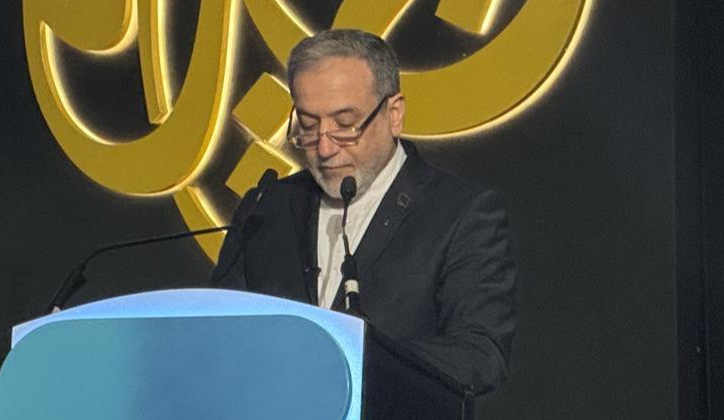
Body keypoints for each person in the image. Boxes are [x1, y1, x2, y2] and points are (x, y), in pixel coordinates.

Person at [211, 28, 516, 394]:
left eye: (344, 125)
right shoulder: (267, 207)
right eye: (308, 127)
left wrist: (356, 361)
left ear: (394, 114)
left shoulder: (459, 214)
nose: (324, 148)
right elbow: (219, 334)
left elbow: (480, 354)